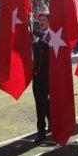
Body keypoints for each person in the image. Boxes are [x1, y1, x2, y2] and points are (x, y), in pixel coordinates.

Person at [32, 13, 50, 143]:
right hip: (36, 76)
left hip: (48, 76)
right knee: (39, 104)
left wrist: (37, 41)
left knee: (46, 104)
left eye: (44, 20)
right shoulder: (36, 33)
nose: (41, 22)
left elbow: (48, 48)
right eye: (39, 20)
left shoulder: (53, 35)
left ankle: (52, 125)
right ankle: (41, 132)